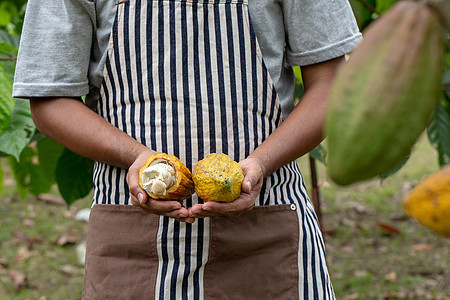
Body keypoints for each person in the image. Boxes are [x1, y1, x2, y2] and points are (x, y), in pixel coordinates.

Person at [13, 0, 362, 298]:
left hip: (266, 230)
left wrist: (262, 162)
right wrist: (135, 157)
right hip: (131, 238)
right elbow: (50, 100)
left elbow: (332, 85)